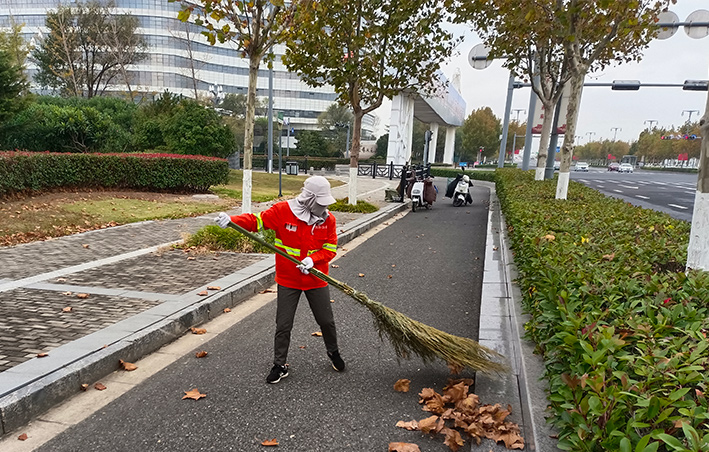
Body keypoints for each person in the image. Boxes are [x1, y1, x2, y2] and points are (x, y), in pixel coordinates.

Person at [214, 175, 345, 384]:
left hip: (315, 280)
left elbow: (330, 248)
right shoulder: (283, 211)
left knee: (326, 321)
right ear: (310, 199)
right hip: (288, 280)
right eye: (320, 202)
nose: (324, 206)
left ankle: (333, 352)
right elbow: (256, 221)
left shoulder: (328, 220)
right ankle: (280, 364)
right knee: (283, 324)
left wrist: (313, 259)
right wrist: (231, 221)